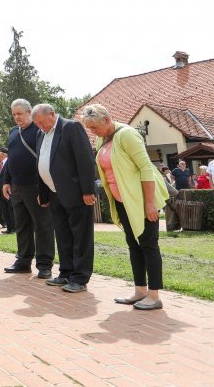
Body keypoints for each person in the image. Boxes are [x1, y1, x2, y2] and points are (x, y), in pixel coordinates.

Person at [81, 104, 168, 310]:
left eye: (95, 128)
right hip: (123, 201)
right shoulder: (103, 138)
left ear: (107, 119)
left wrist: (149, 203)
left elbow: (146, 168)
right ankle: (140, 290)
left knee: (148, 244)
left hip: (141, 201)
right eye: (90, 129)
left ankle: (154, 296)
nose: (93, 133)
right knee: (133, 244)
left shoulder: (128, 135)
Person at [32, 103, 97, 293]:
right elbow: (42, 162)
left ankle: (80, 278)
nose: (40, 127)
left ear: (52, 114)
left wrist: (88, 191)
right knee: (63, 236)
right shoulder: (40, 134)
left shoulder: (71, 127)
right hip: (54, 193)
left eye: (42, 122)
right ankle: (66, 273)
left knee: (81, 237)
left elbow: (86, 160)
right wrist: (43, 193)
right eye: (37, 124)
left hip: (77, 194)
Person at [0, 99, 55, 278]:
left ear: (29, 112)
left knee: (42, 225)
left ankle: (45, 265)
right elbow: (11, 159)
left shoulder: (39, 131)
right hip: (16, 186)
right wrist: (6, 180)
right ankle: (23, 261)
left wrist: (43, 188)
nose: (17, 117)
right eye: (14, 114)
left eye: (20, 114)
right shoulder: (14, 132)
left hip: (36, 186)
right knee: (22, 226)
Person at [0, 147, 14, 234]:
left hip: (8, 189)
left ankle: (13, 228)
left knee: (10, 208)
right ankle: (9, 227)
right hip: (1, 188)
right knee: (5, 209)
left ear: (3, 154)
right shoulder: (2, 163)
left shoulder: (9, 161)